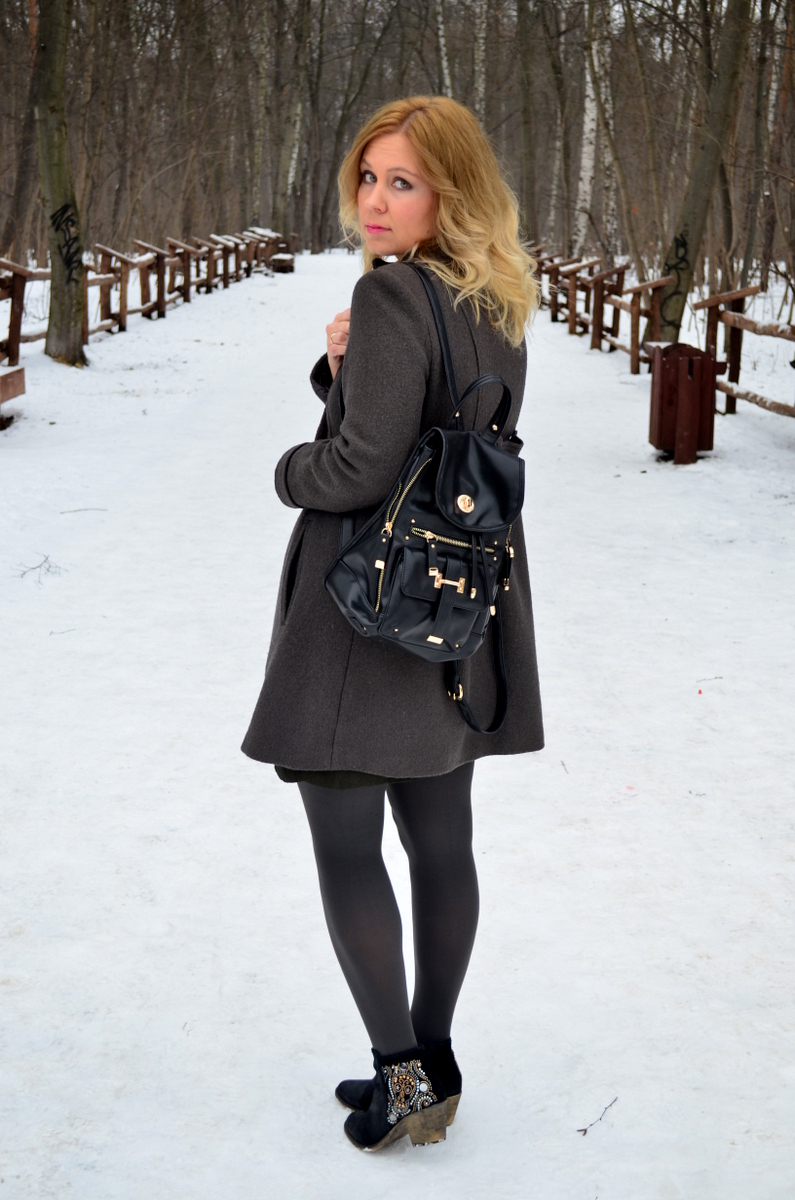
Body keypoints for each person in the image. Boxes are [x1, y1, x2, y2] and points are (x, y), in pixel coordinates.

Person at [241, 95, 543, 1151]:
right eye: (368, 177)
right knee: (442, 841)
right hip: (458, 605)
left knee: (347, 848)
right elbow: (442, 429)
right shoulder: (494, 296)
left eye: (402, 182)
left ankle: (403, 1080)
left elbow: (360, 467)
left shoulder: (390, 295)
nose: (375, 200)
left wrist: (290, 468)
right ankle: (436, 1061)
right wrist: (346, 371)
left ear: (450, 191)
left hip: (364, 614)